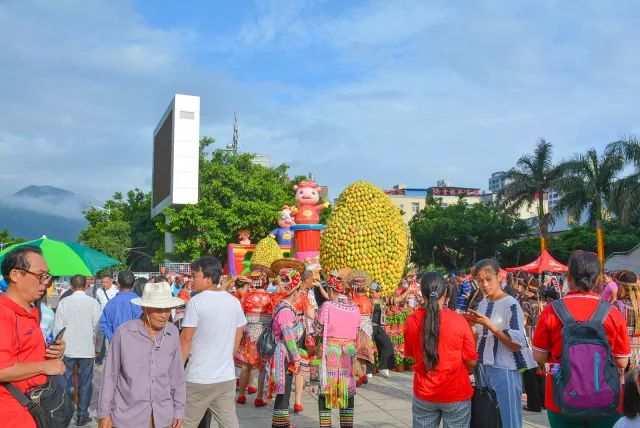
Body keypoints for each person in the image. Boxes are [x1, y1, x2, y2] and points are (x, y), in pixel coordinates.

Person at [532, 251, 631, 428]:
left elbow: (539, 356)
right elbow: (622, 362)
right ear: (597, 280)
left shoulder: (551, 310)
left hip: (561, 396)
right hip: (605, 396)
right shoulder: (612, 313)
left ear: (568, 278)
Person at [97, 282, 186, 428]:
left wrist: (179, 410)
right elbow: (110, 375)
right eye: (159, 309)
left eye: (167, 309)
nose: (164, 315)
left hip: (162, 415)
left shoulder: (172, 333)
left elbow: (177, 375)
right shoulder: (124, 333)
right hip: (128, 416)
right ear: (145, 308)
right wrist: (104, 414)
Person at [0, 246, 69, 427]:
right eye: (40, 276)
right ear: (15, 275)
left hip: (32, 409)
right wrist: (45, 366)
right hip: (12, 415)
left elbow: (23, 354)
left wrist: (52, 352)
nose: (45, 282)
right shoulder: (3, 314)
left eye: (47, 276)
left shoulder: (30, 311)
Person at [465, 258, 537, 428]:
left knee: (510, 419)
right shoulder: (482, 303)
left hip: (505, 369)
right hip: (483, 369)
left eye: (488, 279)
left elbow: (516, 344)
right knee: (488, 417)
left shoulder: (511, 304)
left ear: (499, 277)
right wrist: (470, 325)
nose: (485, 285)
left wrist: (489, 325)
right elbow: (479, 337)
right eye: (480, 281)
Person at [404, 272, 478, 427]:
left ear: (421, 294)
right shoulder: (459, 321)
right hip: (455, 393)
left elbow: (411, 355)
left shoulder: (412, 320)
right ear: (446, 293)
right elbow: (471, 360)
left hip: (424, 393)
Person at [180, 257, 246, 428]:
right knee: (230, 423)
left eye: (195, 276)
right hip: (225, 377)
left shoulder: (195, 302)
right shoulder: (233, 301)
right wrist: (226, 357)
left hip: (198, 378)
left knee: (185, 422)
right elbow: (239, 334)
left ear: (209, 278)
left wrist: (177, 370)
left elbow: (186, 339)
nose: (191, 280)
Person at [314, 270, 362, 428]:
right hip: (349, 353)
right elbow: (357, 331)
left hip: (331, 353)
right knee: (347, 390)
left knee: (327, 391)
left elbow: (317, 328)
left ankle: (326, 425)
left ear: (330, 289)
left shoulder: (327, 306)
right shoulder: (355, 308)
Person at [54, 274, 101, 426]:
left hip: (67, 348)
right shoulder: (93, 303)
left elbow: (58, 328)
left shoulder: (64, 302)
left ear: (71, 286)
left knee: (65, 382)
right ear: (85, 286)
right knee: (86, 382)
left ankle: (65, 411)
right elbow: (98, 328)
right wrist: (98, 347)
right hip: (87, 348)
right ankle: (82, 414)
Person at [269, 267, 305, 428]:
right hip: (284, 354)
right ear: (295, 291)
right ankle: (280, 425)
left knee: (284, 390)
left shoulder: (283, 307)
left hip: (283, 353)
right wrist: (297, 358)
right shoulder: (285, 310)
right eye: (299, 290)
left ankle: (282, 422)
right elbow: (289, 337)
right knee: (283, 391)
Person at [235, 269, 273, 407]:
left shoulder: (246, 297)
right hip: (264, 338)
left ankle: (241, 395)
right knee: (263, 368)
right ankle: (259, 397)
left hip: (249, 336)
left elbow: (240, 316)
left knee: (246, 366)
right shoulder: (271, 298)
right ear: (266, 284)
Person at [347, 270, 375, 386]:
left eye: (361, 284)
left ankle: (361, 376)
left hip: (361, 328)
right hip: (360, 328)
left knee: (358, 355)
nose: (360, 286)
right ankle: (361, 376)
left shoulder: (364, 300)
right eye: (358, 284)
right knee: (358, 355)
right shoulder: (354, 300)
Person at [99, 271, 143, 342]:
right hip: (135, 344)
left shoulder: (110, 303)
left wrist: (113, 339)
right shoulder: (140, 302)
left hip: (116, 344)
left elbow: (104, 324)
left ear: (118, 284)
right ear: (134, 284)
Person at [370, 282, 395, 377]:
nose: (371, 294)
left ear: (378, 292)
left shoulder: (383, 300)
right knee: (368, 348)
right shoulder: (371, 301)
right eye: (371, 293)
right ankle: (368, 371)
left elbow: (397, 299)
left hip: (379, 328)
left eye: (373, 293)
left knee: (387, 345)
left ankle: (383, 367)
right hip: (370, 327)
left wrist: (408, 291)